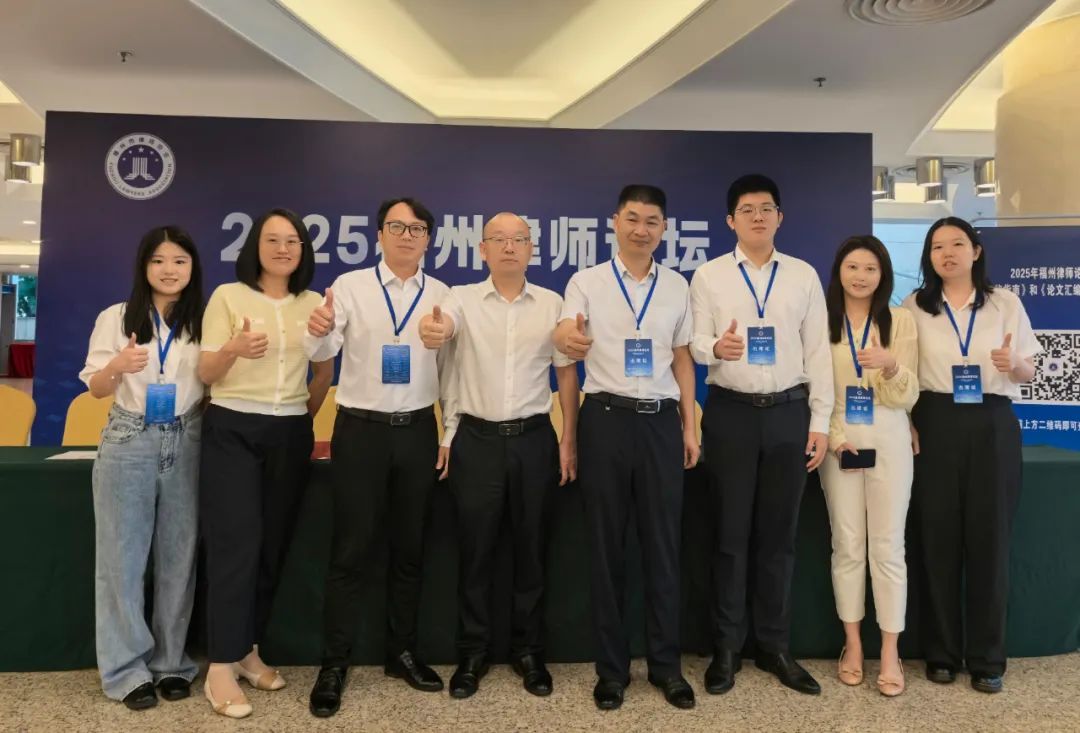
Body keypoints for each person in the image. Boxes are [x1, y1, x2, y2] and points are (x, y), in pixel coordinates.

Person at [417, 212, 579, 699]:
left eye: (519, 239)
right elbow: (442, 332)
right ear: (482, 249)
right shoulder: (460, 299)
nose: (509, 247)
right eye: (499, 239)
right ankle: (473, 652)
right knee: (476, 551)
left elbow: (566, 375)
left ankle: (530, 652)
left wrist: (568, 439)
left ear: (532, 249)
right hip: (477, 440)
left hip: (534, 439)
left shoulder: (552, 303)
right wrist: (434, 331)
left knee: (532, 550)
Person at [553, 184, 700, 712]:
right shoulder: (586, 282)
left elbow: (682, 357)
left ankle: (666, 666)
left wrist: (689, 425)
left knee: (663, 548)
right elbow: (565, 342)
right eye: (633, 219)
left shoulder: (677, 286)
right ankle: (611, 671)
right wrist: (569, 435)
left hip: (660, 423)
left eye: (652, 221)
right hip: (606, 420)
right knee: (606, 548)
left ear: (664, 229)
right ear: (614, 222)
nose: (642, 229)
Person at [306, 197, 452, 718]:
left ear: (429, 239)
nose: (407, 235)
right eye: (397, 226)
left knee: (409, 549)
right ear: (379, 234)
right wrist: (317, 331)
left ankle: (402, 653)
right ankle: (334, 663)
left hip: (417, 431)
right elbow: (323, 352)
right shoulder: (350, 287)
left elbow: (452, 369)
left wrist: (449, 432)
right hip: (361, 431)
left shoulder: (442, 294)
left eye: (417, 228)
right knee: (350, 550)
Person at [689, 173, 832, 696]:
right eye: (747, 209)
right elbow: (693, 338)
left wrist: (820, 422)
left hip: (789, 414)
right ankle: (727, 648)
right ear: (731, 220)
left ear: (780, 217)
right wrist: (714, 349)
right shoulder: (708, 276)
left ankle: (775, 646)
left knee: (779, 538)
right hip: (731, 413)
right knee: (729, 537)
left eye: (766, 208)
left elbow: (817, 350)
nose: (757, 216)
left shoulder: (803, 275)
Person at [197, 208, 333, 719]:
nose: (283, 249)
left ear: (303, 250)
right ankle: (219, 664)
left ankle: (248, 649)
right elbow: (206, 371)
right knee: (235, 544)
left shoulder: (313, 304)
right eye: (273, 240)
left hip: (289, 432)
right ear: (255, 245)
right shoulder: (228, 297)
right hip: (232, 427)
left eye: (293, 241)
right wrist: (233, 349)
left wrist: (298, 419)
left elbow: (324, 372)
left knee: (273, 545)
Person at [903, 217, 1039, 694]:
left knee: (989, 541)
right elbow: (903, 374)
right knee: (936, 540)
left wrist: (1013, 364)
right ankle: (941, 654)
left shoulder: (1005, 303)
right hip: (933, 421)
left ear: (976, 251)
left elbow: (1029, 370)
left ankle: (987, 658)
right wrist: (908, 422)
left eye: (957, 244)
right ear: (929, 256)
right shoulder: (915, 305)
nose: (948, 253)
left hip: (991, 421)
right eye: (937, 246)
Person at [80, 225, 205, 710]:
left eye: (179, 261)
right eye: (158, 260)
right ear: (143, 266)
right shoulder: (116, 317)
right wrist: (118, 366)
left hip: (189, 437)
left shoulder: (205, 318)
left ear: (192, 268)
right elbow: (96, 388)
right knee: (122, 561)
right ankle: (126, 670)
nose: (169, 270)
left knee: (179, 557)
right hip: (129, 438)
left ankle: (171, 662)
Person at [817, 235, 918, 697]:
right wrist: (836, 439)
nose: (860, 276)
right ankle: (853, 644)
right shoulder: (822, 321)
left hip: (889, 436)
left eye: (871, 269)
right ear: (839, 271)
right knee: (848, 545)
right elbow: (816, 390)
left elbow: (909, 395)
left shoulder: (900, 321)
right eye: (852, 267)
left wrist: (890, 365)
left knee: (888, 546)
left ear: (883, 275)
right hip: (839, 441)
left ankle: (891, 651)